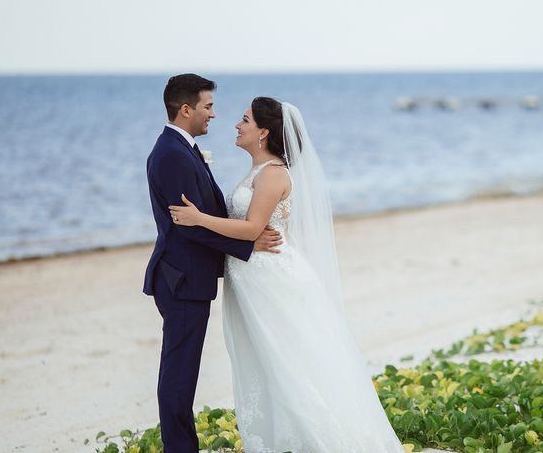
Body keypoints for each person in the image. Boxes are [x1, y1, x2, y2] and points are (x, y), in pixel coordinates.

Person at [169, 96, 405, 452]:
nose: (236, 124)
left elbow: (251, 229)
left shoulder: (274, 173)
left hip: (270, 278)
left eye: (244, 119)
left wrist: (199, 219)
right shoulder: (257, 172)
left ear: (263, 132)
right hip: (253, 276)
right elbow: (252, 227)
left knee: (290, 361)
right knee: (267, 362)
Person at [144, 74, 283, 453]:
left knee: (182, 372)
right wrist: (248, 244)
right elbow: (186, 225)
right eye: (208, 106)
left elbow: (200, 216)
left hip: (187, 277)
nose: (214, 115)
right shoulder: (172, 154)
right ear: (186, 109)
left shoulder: (181, 149)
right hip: (181, 280)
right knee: (179, 374)